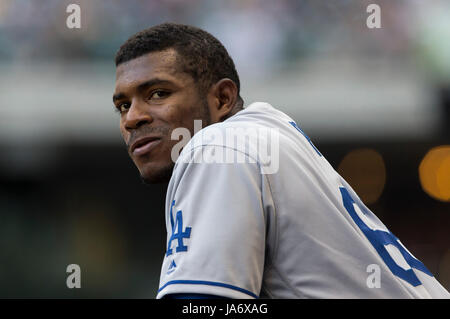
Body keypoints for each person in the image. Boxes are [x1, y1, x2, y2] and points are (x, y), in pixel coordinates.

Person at [113, 23, 449, 299]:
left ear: (222, 98)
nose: (133, 118)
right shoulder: (267, 135)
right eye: (123, 105)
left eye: (158, 93)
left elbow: (202, 306)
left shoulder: (220, 145)